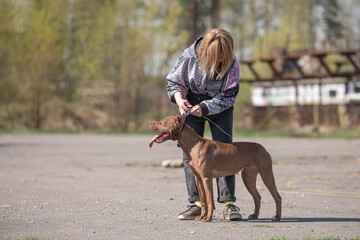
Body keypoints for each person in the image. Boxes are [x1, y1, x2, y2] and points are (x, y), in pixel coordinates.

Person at [166, 28, 241, 221]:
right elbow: (174, 83)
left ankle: (228, 204)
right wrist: (180, 100)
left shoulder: (232, 64)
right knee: (189, 154)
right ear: (205, 52)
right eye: (216, 58)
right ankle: (197, 204)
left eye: (223, 58)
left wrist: (206, 107)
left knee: (226, 151)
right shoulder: (189, 57)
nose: (220, 62)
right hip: (190, 105)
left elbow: (229, 95)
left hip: (219, 107)